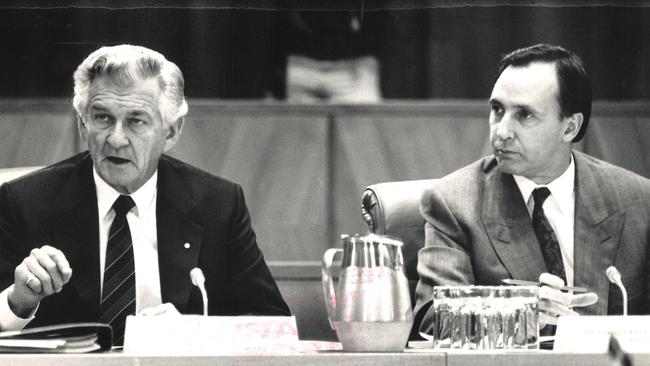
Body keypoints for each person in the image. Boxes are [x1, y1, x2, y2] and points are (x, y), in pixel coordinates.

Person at [0, 45, 290, 344]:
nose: (116, 139)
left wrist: (195, 333)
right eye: (102, 118)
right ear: (82, 124)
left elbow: (274, 324)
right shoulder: (25, 202)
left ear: (172, 132)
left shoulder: (217, 204)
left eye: (136, 121)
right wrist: (17, 301)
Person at [414, 44, 650, 335]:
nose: (501, 131)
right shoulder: (453, 202)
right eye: (497, 110)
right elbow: (433, 321)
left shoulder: (639, 201)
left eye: (524, 115)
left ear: (570, 128)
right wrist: (518, 315)